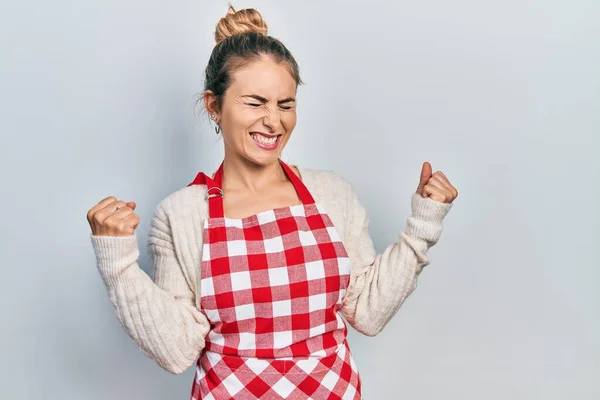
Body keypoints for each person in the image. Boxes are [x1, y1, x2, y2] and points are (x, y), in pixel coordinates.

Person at [87, 6, 458, 399]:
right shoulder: (181, 215)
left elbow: (367, 311)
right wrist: (118, 265)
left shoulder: (332, 195)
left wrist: (424, 225)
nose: (273, 121)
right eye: (255, 102)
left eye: (285, 104)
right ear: (214, 105)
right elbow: (176, 351)